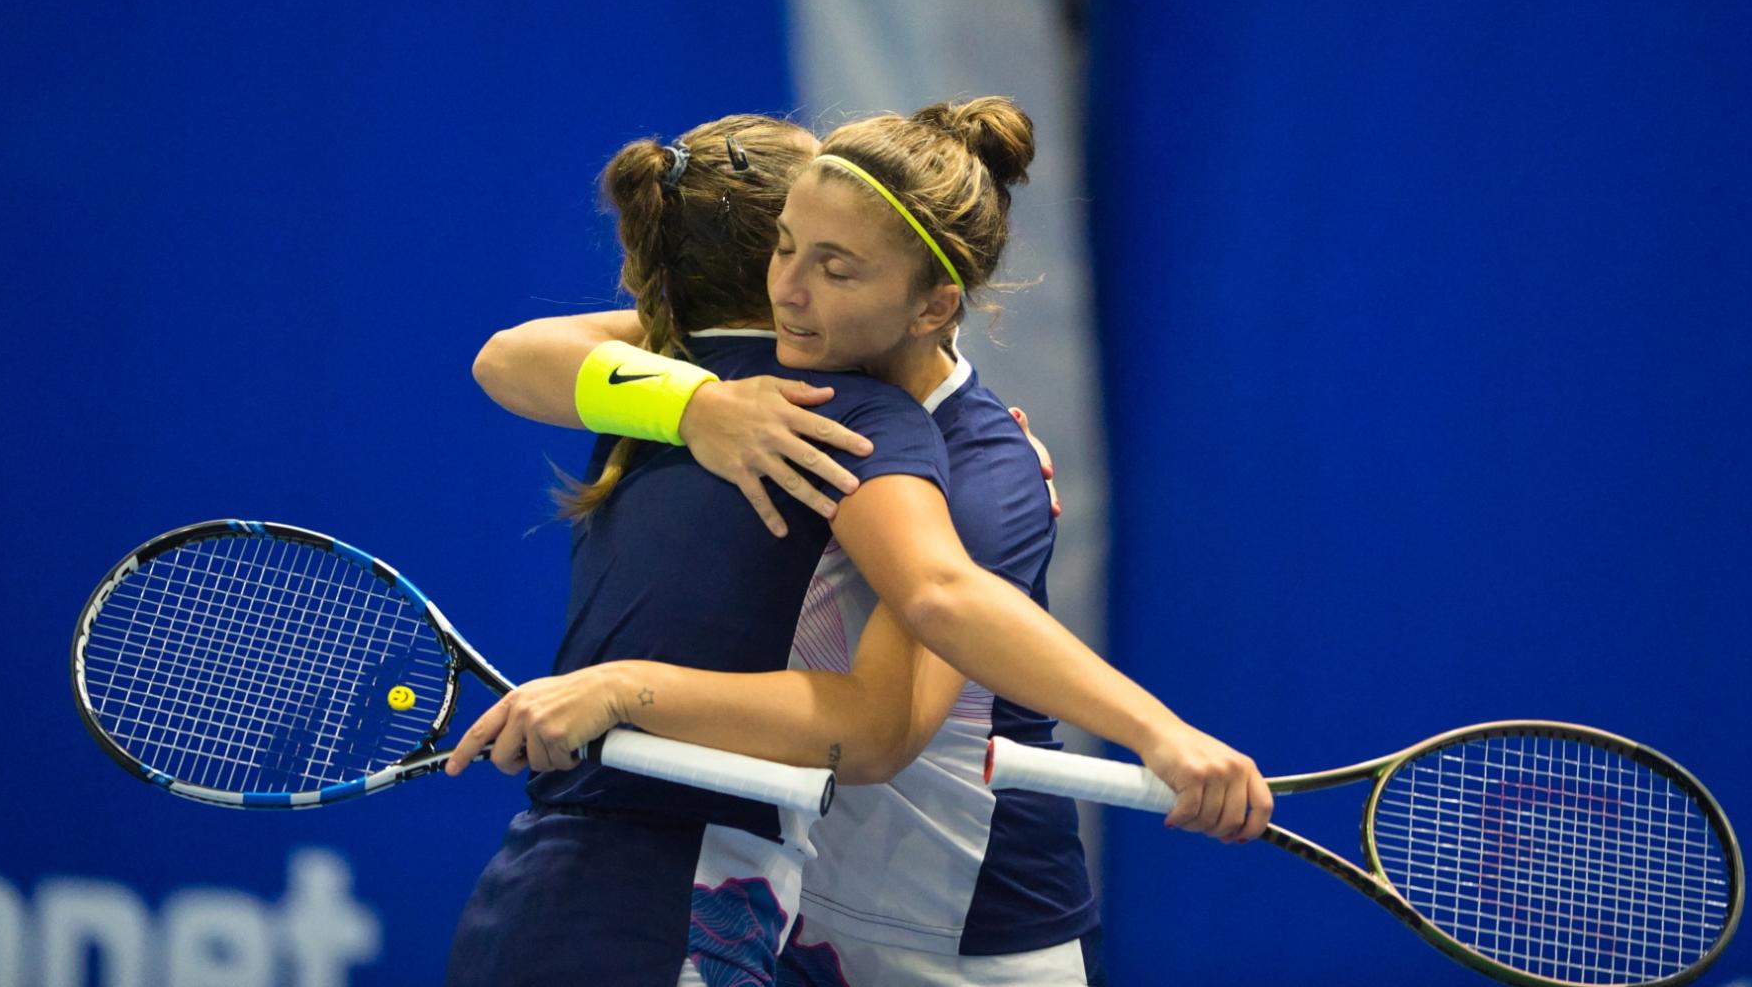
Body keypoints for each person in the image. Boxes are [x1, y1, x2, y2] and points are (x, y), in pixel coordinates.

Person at [459, 99, 1272, 986]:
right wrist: (693, 406)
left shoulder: (977, 470)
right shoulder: (778, 369)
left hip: (951, 928)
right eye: (783, 247)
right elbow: (510, 356)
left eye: (835, 267)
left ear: (932, 307)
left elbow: (893, 705)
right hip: (790, 896)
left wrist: (1160, 731)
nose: (788, 291)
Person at [444, 115, 956, 987]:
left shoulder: (640, 378)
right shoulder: (859, 425)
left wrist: (690, 400)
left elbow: (510, 355)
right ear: (777, 260)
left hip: (544, 891)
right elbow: (878, 726)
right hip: (664, 900)